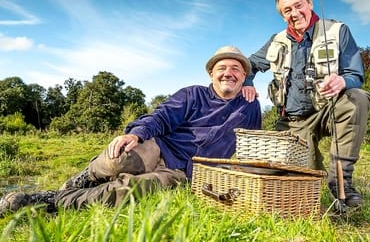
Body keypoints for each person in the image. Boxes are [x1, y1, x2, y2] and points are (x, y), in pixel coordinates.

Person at [0, 45, 262, 216]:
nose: (228, 73)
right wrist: (135, 133)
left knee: (128, 190)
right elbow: (162, 115)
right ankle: (83, 179)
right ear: (211, 74)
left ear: (244, 76)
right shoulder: (192, 94)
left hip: (184, 171)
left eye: (235, 68)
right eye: (222, 68)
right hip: (160, 147)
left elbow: (254, 146)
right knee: (120, 157)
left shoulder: (250, 107)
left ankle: (49, 202)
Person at [241, 0, 370, 207]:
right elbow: (248, 64)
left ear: (309, 2)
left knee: (356, 98)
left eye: (298, 5)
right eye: (287, 10)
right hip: (293, 123)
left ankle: (341, 183)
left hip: (327, 111)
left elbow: (355, 75)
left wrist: (342, 81)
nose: (294, 13)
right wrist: (248, 82)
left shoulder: (337, 30)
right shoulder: (276, 40)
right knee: (299, 183)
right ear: (282, 16)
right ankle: (313, 173)